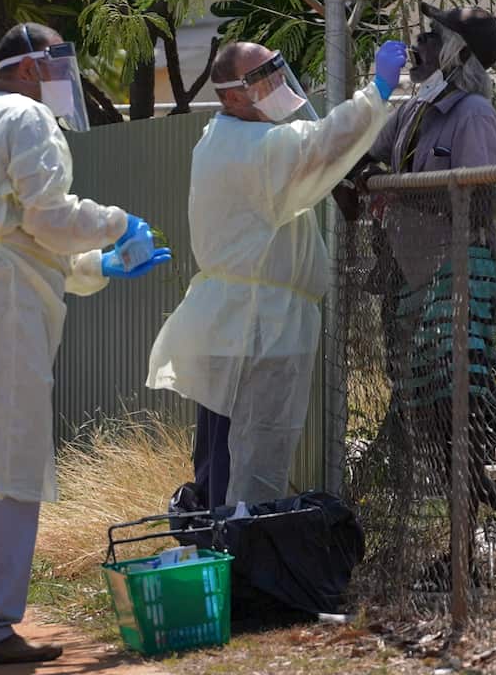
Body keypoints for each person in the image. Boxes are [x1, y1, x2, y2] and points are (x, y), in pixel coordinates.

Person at [0, 23, 170, 666]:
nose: (65, 77)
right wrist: (117, 222)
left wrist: (97, 265)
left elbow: (18, 234)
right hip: (2, 313)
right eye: (59, 62)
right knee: (5, 471)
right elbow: (46, 219)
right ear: (27, 67)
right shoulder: (26, 115)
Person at [335, 4, 496, 585]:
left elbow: (477, 200)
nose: (420, 43)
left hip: (461, 274)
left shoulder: (475, 114)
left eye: (434, 36)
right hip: (411, 279)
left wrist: (401, 192)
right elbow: (365, 160)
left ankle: (462, 564)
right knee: (429, 427)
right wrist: (355, 176)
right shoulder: (412, 111)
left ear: (459, 52)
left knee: (448, 419)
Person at [146, 38, 406, 510]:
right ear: (230, 96)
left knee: (224, 448)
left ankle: (223, 551)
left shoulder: (224, 138)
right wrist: (378, 91)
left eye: (275, 69)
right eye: (261, 77)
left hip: (239, 321)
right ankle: (234, 555)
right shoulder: (251, 148)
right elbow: (321, 143)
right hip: (255, 326)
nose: (276, 83)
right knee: (246, 456)